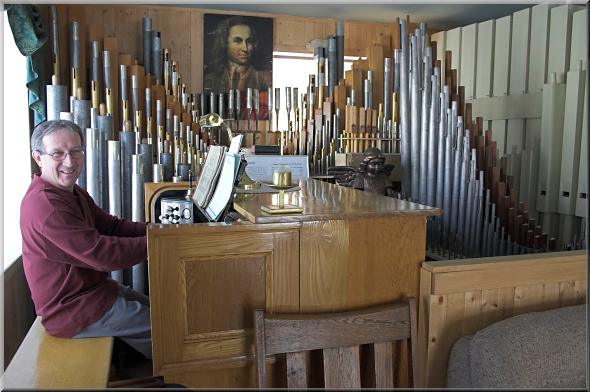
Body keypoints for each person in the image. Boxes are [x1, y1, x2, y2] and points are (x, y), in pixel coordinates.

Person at [20, 119, 152, 359]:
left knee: (165, 311)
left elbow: (111, 226)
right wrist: (160, 243)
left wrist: (156, 230)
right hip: (72, 309)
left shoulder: (71, 191)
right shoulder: (46, 205)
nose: (69, 162)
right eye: (58, 153)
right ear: (38, 158)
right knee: (168, 331)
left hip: (94, 292)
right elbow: (103, 254)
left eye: (76, 151)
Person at [204, 16, 272, 116]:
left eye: (249, 41)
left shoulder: (265, 78)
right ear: (224, 43)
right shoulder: (210, 79)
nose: (245, 48)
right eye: (238, 41)